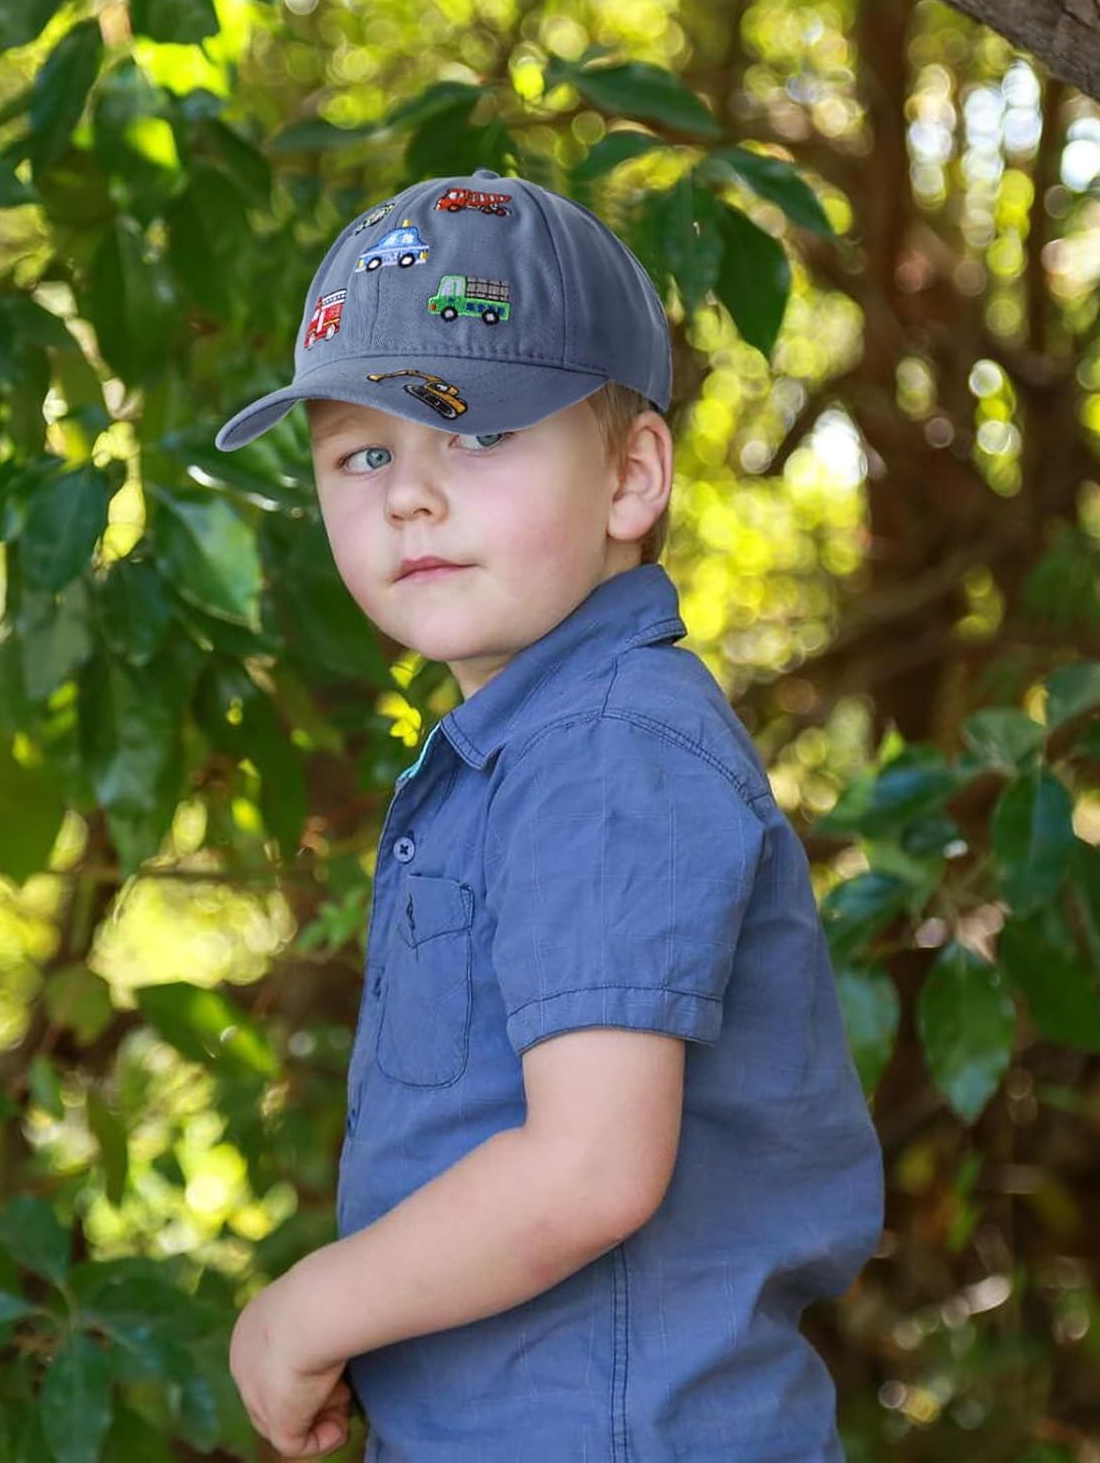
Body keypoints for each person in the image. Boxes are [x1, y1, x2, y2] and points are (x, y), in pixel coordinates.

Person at [214, 166, 884, 1461]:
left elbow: (589, 1170)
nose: (409, 493)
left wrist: (306, 1313)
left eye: (472, 433)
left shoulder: (610, 754)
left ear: (632, 477)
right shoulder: (528, 746)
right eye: (364, 453)